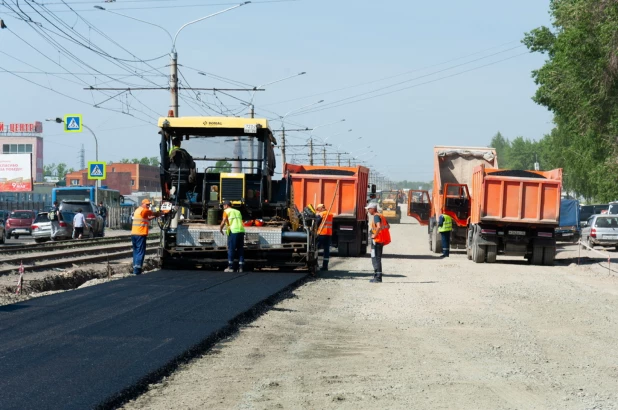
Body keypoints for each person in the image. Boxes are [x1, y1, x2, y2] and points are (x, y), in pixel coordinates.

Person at [131, 199, 162, 275]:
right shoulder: (144, 210)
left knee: (136, 251)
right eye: (147, 204)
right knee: (140, 251)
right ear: (143, 204)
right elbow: (152, 213)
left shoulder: (137, 210)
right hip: (140, 234)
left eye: (149, 205)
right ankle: (137, 270)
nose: (148, 206)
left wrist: (155, 215)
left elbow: (146, 218)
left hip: (134, 234)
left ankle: (135, 268)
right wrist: (161, 213)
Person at [366, 202, 391, 283]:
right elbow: (388, 226)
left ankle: (378, 277)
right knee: (376, 257)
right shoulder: (381, 216)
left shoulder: (376, 216)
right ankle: (376, 275)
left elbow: (379, 226)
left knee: (376, 258)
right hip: (380, 240)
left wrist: (374, 235)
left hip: (377, 240)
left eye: (369, 209)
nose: (368, 210)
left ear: (373, 209)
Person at [219, 200, 245, 272]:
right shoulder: (238, 211)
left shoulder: (226, 211)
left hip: (233, 231)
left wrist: (220, 229)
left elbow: (223, 221)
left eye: (224, 206)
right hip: (241, 231)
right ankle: (241, 267)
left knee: (231, 249)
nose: (223, 207)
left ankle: (230, 267)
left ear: (226, 205)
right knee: (240, 249)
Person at [316, 203, 334, 271]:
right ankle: (325, 266)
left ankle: (315, 264)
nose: (318, 211)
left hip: (321, 234)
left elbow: (317, 223)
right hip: (328, 234)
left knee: (316, 249)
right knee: (326, 250)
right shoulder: (330, 214)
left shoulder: (321, 214)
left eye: (318, 209)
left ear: (321, 208)